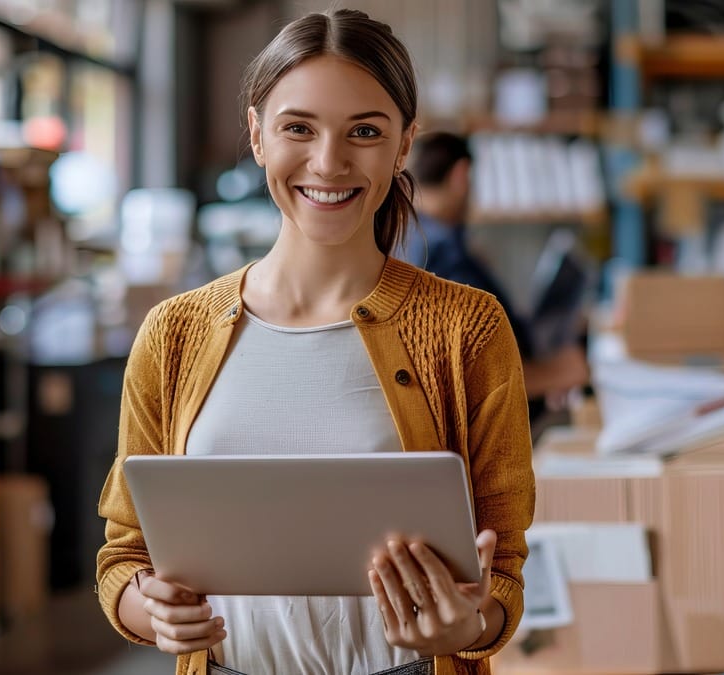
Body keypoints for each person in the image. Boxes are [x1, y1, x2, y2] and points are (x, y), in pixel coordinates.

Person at [97, 9, 534, 675]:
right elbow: (124, 554)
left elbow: (501, 572)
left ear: (405, 142)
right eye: (298, 127)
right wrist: (148, 608)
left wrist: (469, 623)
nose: (329, 163)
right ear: (257, 133)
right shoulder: (174, 333)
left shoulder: (466, 327)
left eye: (365, 131)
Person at [402, 132, 589, 415]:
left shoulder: (413, 242)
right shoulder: (445, 259)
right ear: (461, 176)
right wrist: (556, 372)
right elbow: (468, 378)